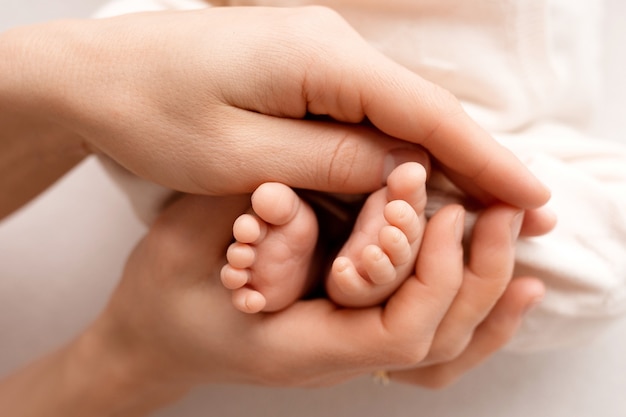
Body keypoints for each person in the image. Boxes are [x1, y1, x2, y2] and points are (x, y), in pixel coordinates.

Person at [0, 5, 550, 415]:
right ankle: (326, 258)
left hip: (235, 82)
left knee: (150, 24)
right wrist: (131, 352)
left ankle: (326, 252)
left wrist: (63, 86)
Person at [96, 0, 626, 352]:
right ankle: (352, 232)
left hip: (494, 125)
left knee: (589, 254)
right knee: (118, 61)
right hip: (255, 71)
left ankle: (342, 238)